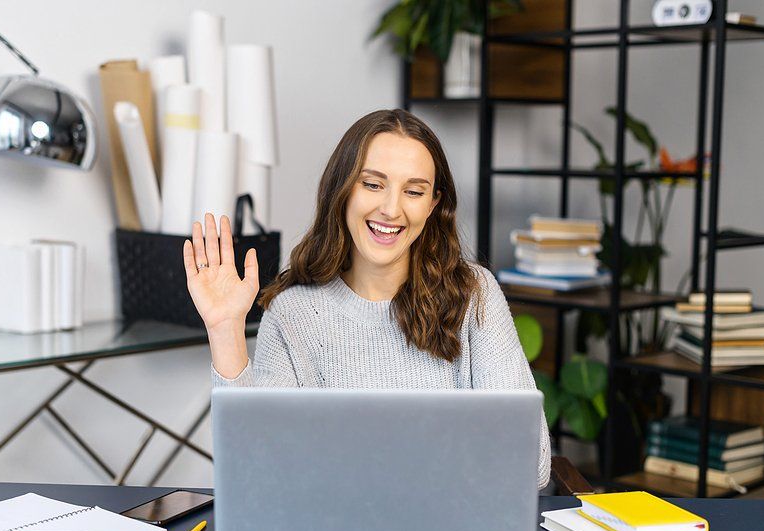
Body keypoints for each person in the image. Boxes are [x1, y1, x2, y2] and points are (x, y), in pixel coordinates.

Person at [183, 109, 550, 489]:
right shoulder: (292, 314)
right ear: (343, 191)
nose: (391, 209)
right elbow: (257, 474)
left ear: (433, 204)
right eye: (373, 185)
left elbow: (530, 465)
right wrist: (226, 330)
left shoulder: (474, 295)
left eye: (413, 191)